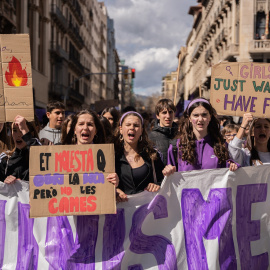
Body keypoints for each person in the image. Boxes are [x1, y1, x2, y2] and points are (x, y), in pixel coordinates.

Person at [114, 111, 175, 201]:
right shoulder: (112, 155)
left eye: (136, 125)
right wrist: (114, 191)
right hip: (121, 212)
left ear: (141, 130)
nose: (132, 128)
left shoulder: (152, 155)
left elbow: (162, 181)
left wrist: (157, 185)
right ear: (121, 129)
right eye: (128, 125)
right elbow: (102, 183)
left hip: (147, 212)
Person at [167, 98, 238, 171]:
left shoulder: (221, 145)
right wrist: (168, 171)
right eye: (196, 115)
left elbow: (228, 173)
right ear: (189, 118)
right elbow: (170, 178)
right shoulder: (176, 147)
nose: (200, 119)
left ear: (210, 117)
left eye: (204, 115)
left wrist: (233, 166)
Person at [62, 110, 118, 186]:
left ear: (95, 131)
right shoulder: (62, 155)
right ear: (74, 129)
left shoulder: (107, 156)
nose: (85, 128)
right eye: (81, 124)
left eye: (90, 124)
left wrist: (114, 183)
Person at [0, 115, 41, 184]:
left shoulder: (38, 154)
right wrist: (6, 182)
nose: (18, 135)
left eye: (21, 130)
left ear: (31, 133)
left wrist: (25, 129)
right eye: (15, 130)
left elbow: (41, 155)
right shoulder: (5, 158)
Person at [149, 99, 178, 165]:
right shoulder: (150, 138)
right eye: (164, 112)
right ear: (157, 116)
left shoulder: (181, 135)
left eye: (170, 112)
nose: (168, 116)